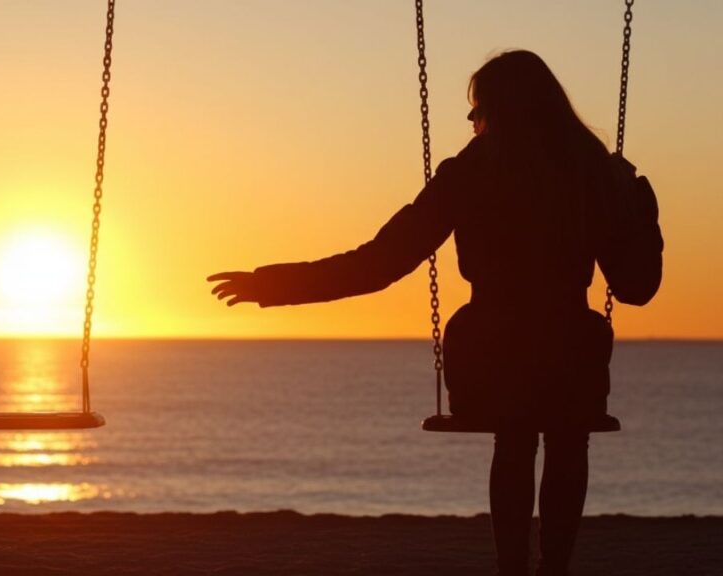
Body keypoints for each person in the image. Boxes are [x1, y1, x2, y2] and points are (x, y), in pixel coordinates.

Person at [207, 50, 663, 576]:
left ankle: (512, 569)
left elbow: (378, 263)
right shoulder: (592, 171)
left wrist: (272, 285)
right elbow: (637, 286)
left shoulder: (471, 172)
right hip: (569, 361)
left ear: (498, 111)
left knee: (513, 434)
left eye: (477, 113)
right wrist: (640, 208)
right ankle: (553, 568)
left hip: (493, 359)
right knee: (567, 432)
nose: (474, 125)